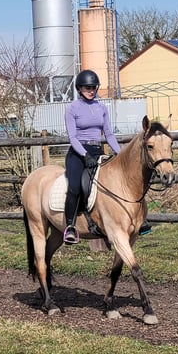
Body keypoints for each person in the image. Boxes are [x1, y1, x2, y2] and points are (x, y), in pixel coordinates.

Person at [63, 69, 123, 244]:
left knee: (116, 182)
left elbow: (109, 135)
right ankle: (70, 226)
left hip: (97, 151)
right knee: (75, 186)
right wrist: (84, 154)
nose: (90, 90)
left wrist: (119, 153)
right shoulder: (72, 108)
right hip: (78, 153)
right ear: (79, 88)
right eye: (86, 87)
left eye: (93, 87)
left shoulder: (101, 108)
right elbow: (72, 137)